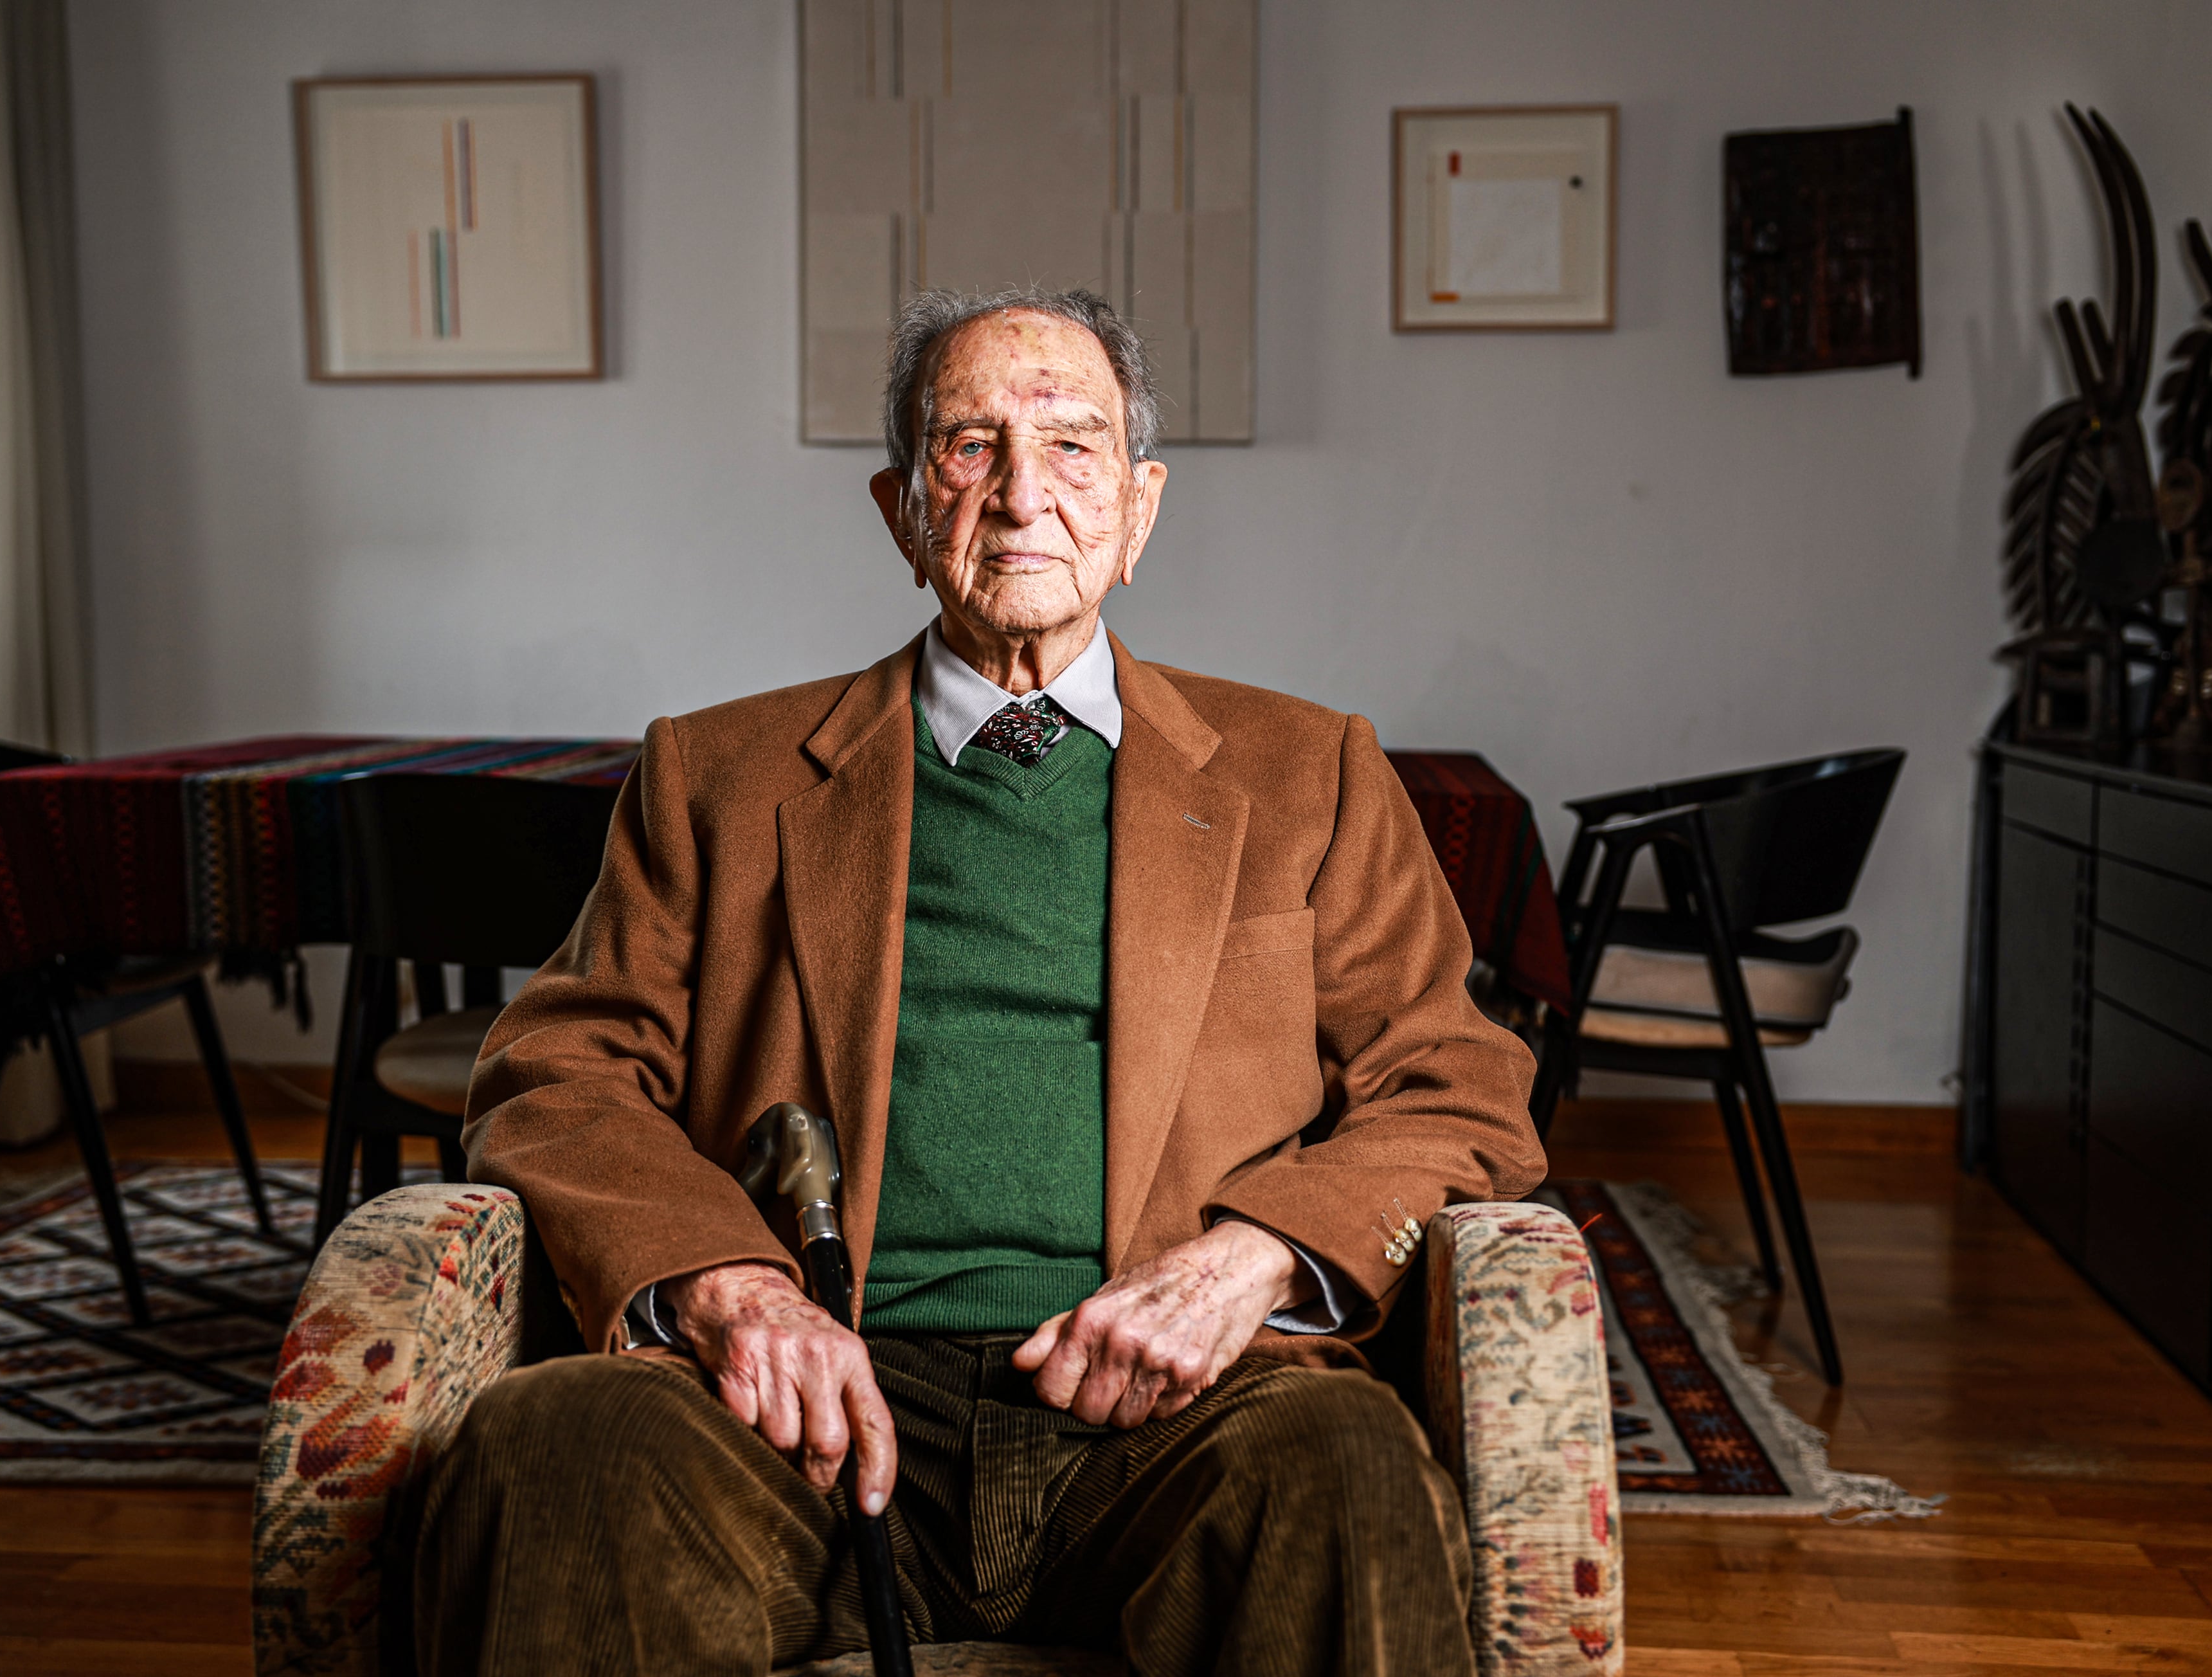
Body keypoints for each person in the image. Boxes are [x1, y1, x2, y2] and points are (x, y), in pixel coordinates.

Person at [414, 287, 1545, 1677]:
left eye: (1075, 448)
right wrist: (732, 1290)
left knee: (1346, 1460)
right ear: (900, 510)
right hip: (812, 1410)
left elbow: (1461, 1083)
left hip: (1176, 1410)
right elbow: (554, 1072)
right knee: (559, 1449)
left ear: (1140, 509)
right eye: (970, 446)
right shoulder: (718, 774)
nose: (1023, 495)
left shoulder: (1309, 772)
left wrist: (1244, 1262)